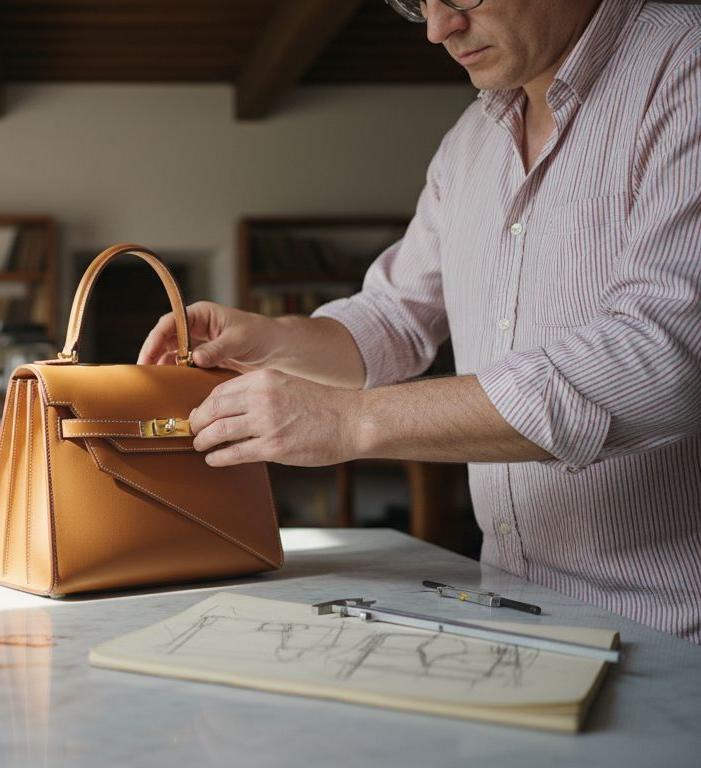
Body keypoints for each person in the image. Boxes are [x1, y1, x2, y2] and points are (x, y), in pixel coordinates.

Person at [139, 0, 701, 643]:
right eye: (417, 3)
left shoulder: (686, 67)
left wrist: (345, 421)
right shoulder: (470, 140)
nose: (438, 29)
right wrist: (275, 340)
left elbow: (663, 359)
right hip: (516, 611)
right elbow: (394, 318)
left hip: (676, 633)